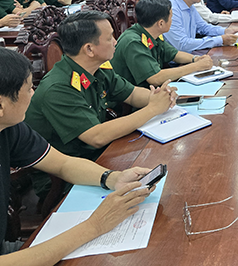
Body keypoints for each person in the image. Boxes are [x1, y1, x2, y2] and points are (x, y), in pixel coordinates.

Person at [0, 48, 153, 262]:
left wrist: (113, 178)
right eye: (28, 89)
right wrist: (95, 225)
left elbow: (62, 164)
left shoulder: (9, 128)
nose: (33, 94)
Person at [24, 11, 176, 197]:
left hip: (99, 155)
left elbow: (132, 94)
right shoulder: (58, 88)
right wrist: (153, 109)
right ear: (89, 49)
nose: (116, 42)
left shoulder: (98, 69)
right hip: (66, 175)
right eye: (110, 37)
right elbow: (96, 136)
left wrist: (160, 97)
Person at [112, 0, 214, 88]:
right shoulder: (133, 42)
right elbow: (155, 78)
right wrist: (196, 66)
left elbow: (174, 54)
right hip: (131, 100)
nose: (172, 21)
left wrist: (195, 59)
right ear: (160, 23)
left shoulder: (151, 32)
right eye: (171, 18)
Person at [163, 0, 238, 52]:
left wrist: (225, 31)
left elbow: (204, 27)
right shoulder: (172, 10)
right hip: (179, 58)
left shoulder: (190, 6)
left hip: (191, 53)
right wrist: (219, 40)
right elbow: (182, 44)